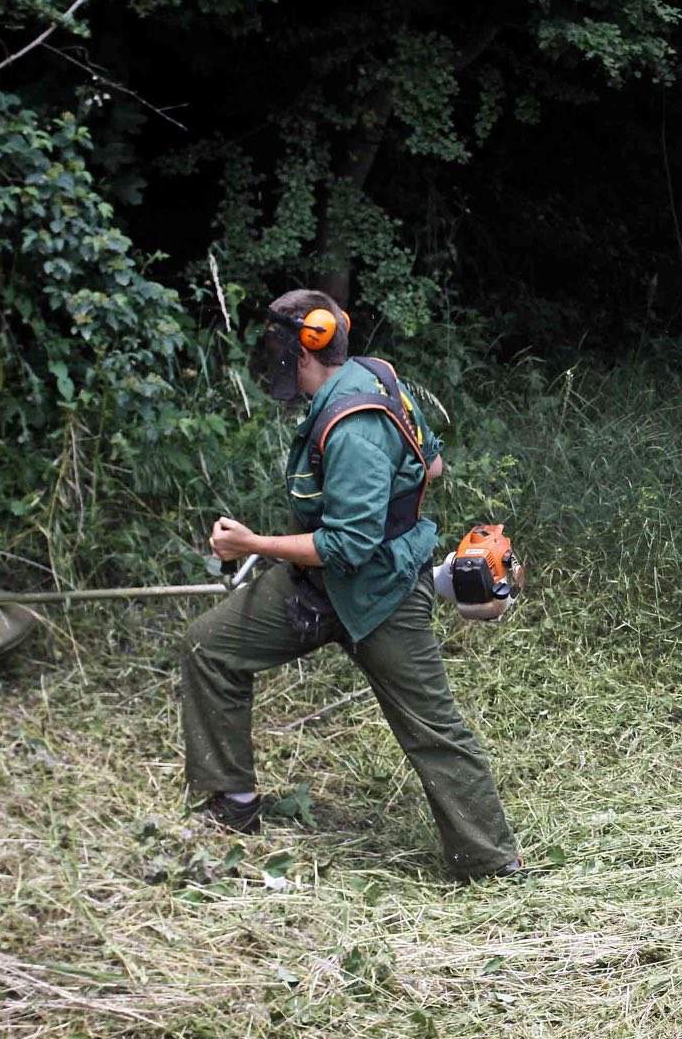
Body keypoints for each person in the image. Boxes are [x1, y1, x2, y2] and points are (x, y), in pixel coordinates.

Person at [181, 289, 521, 881]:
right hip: (315, 589)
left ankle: (491, 864)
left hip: (380, 598)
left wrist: (252, 545)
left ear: (298, 350)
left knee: (433, 730)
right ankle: (231, 805)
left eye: (273, 347)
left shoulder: (354, 426)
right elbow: (431, 465)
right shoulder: (377, 376)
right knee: (209, 645)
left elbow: (348, 546)